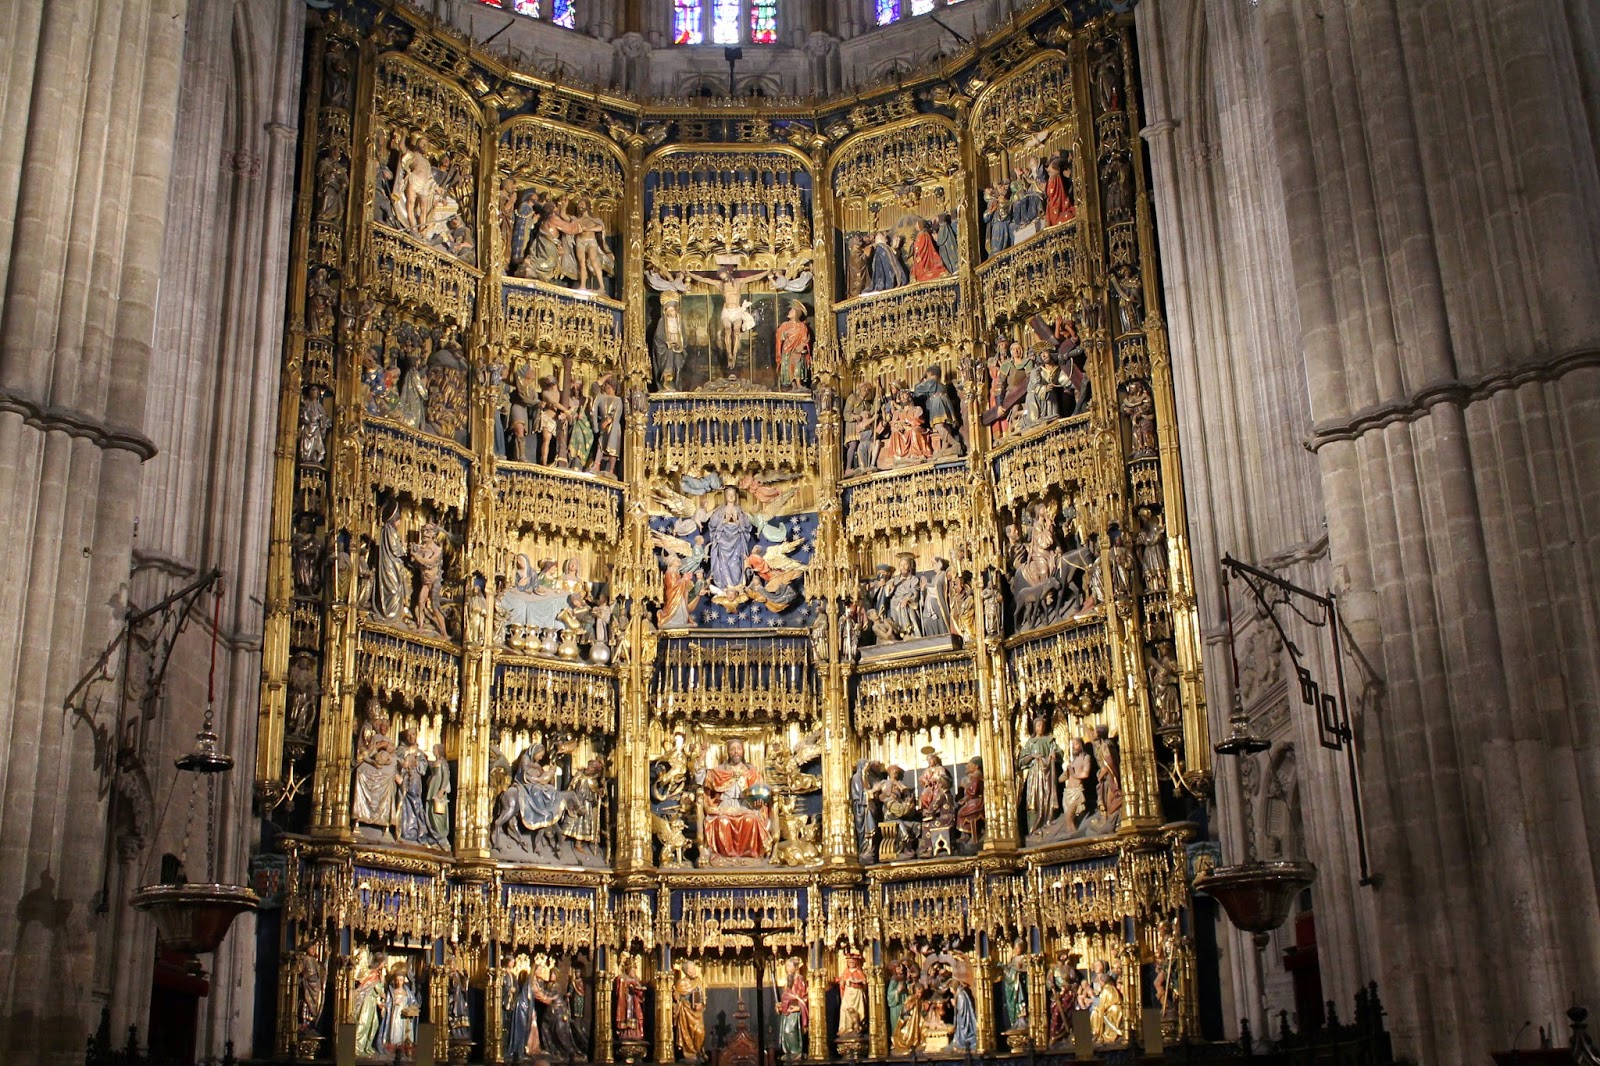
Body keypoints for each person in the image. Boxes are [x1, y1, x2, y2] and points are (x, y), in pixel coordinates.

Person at [699, 740, 772, 861]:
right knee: (722, 821)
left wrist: (759, 802)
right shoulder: (720, 771)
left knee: (751, 819)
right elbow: (701, 778)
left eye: (739, 748)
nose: (736, 752)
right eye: (732, 749)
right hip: (725, 805)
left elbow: (760, 790)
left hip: (745, 805)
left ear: (743, 751)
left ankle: (749, 856)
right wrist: (701, 756)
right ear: (728, 752)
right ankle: (726, 857)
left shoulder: (751, 771)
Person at [1017, 715, 1061, 838]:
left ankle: (1048, 824)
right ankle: (1034, 830)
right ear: (1034, 728)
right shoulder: (1030, 743)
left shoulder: (1049, 740)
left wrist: (1054, 753)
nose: (1040, 727)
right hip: (1035, 776)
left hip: (1048, 775)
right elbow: (1021, 761)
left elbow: (1059, 752)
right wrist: (1032, 756)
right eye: (1038, 725)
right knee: (1034, 801)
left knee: (1047, 798)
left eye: (1042, 725)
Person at [673, 959, 707, 1062]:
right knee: (686, 1033)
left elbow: (702, 997)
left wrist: (700, 1004)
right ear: (686, 971)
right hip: (685, 1012)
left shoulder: (698, 981)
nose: (694, 972)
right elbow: (676, 998)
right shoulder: (680, 983)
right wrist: (678, 998)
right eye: (692, 970)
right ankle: (689, 1053)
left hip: (696, 1013)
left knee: (700, 1032)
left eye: (694, 969)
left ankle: (698, 1051)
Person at [776, 958, 808, 1061]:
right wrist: (781, 1005)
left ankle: (796, 1052)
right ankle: (789, 1052)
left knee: (790, 1030)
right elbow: (786, 996)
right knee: (785, 1033)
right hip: (787, 1010)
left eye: (789, 966)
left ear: (796, 967)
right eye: (786, 966)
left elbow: (804, 996)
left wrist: (798, 1007)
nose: (787, 969)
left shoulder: (800, 979)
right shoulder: (788, 980)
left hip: (794, 1010)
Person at [653, 295, 688, 389]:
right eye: (668, 311)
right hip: (666, 349)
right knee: (667, 367)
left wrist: (680, 344)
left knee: (678, 367)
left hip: (678, 349)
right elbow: (658, 336)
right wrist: (667, 342)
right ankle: (666, 384)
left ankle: (677, 385)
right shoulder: (662, 321)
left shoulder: (679, 322)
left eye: (672, 310)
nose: (670, 313)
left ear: (676, 310)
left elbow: (684, 336)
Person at [775, 302, 812, 389]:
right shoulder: (785, 325)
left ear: (796, 314)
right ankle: (793, 385)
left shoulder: (802, 326)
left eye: (791, 311)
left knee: (797, 364)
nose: (789, 312)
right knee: (787, 366)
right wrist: (782, 334)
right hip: (787, 349)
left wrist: (802, 345)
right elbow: (780, 336)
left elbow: (804, 339)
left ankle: (799, 384)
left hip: (797, 350)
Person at [837, 952, 868, 1039]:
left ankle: (857, 1027)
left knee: (859, 1009)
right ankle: (846, 1028)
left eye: (853, 962)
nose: (851, 964)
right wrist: (843, 983)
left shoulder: (859, 972)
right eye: (850, 962)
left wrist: (860, 982)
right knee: (845, 1009)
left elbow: (864, 984)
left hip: (857, 994)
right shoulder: (845, 972)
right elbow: (841, 984)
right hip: (848, 994)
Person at [910, 217, 950, 282]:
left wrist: (914, 245)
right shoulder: (926, 233)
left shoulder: (921, 234)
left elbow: (918, 247)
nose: (916, 226)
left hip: (922, 255)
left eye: (917, 225)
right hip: (927, 253)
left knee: (921, 268)